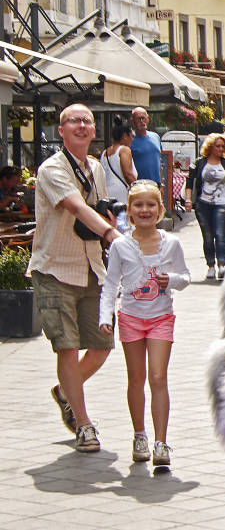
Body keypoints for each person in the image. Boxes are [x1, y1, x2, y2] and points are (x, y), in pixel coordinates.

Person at [26, 104, 121, 453]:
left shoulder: (95, 167)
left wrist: (112, 225)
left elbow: (96, 209)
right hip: (56, 268)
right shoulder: (52, 169)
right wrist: (112, 235)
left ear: (94, 130)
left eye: (87, 121)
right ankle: (83, 424)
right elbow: (76, 207)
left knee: (101, 345)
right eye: (74, 121)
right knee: (67, 346)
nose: (81, 126)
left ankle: (66, 390)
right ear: (61, 130)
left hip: (92, 266)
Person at [99, 180, 190, 467]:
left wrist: (170, 280)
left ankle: (161, 443)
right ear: (129, 211)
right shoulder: (120, 246)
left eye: (151, 204)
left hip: (161, 317)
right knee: (136, 378)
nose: (145, 210)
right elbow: (110, 283)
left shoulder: (171, 243)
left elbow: (185, 277)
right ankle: (140, 436)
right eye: (138, 205)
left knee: (158, 377)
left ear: (160, 209)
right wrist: (105, 316)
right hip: (131, 318)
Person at [185, 133, 225, 280]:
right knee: (208, 236)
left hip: (222, 203)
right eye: (218, 146)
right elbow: (190, 182)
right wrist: (188, 200)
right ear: (210, 147)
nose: (221, 149)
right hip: (203, 204)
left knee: (220, 234)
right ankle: (211, 266)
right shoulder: (199, 163)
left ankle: (222, 265)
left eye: (223, 146)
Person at [99, 115, 137, 228]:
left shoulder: (105, 153)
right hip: (121, 193)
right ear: (125, 136)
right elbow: (128, 174)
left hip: (107, 192)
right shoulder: (124, 150)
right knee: (124, 225)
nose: (132, 139)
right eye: (131, 136)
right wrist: (138, 190)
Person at [130, 107, 162, 186]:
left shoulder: (156, 137)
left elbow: (159, 162)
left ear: (148, 119)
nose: (141, 121)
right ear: (132, 121)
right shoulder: (129, 140)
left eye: (143, 118)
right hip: (140, 187)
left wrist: (161, 183)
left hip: (156, 186)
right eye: (138, 119)